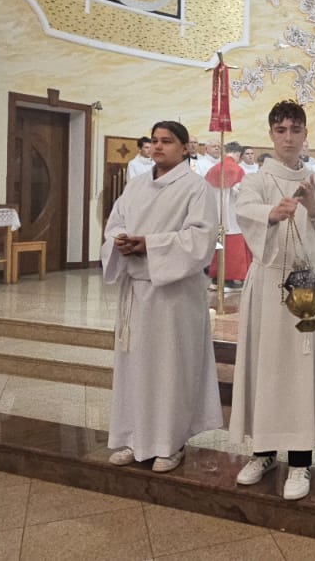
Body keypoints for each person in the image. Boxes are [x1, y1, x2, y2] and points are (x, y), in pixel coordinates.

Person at [229, 100, 315, 501]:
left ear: (305, 135)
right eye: (280, 130)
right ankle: (263, 453)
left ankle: (300, 461)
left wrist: (314, 210)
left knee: (302, 369)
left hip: (307, 287)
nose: (288, 138)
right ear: (270, 134)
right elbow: (245, 212)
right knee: (266, 366)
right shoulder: (257, 180)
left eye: (295, 130)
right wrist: (270, 214)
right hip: (268, 285)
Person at [101, 121, 220, 472]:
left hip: (174, 296)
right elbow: (114, 224)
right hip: (137, 291)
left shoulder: (196, 188)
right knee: (135, 370)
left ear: (184, 148)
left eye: (167, 141)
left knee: (170, 370)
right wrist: (121, 241)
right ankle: (133, 438)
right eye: (154, 140)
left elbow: (200, 239)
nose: (157, 146)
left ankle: (171, 443)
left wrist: (149, 245)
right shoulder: (136, 186)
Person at [206, 147, 252, 292]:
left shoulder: (214, 169)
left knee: (218, 247)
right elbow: (239, 191)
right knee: (233, 250)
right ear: (237, 154)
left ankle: (215, 279)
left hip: (217, 217)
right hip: (232, 219)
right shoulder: (236, 169)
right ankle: (229, 281)